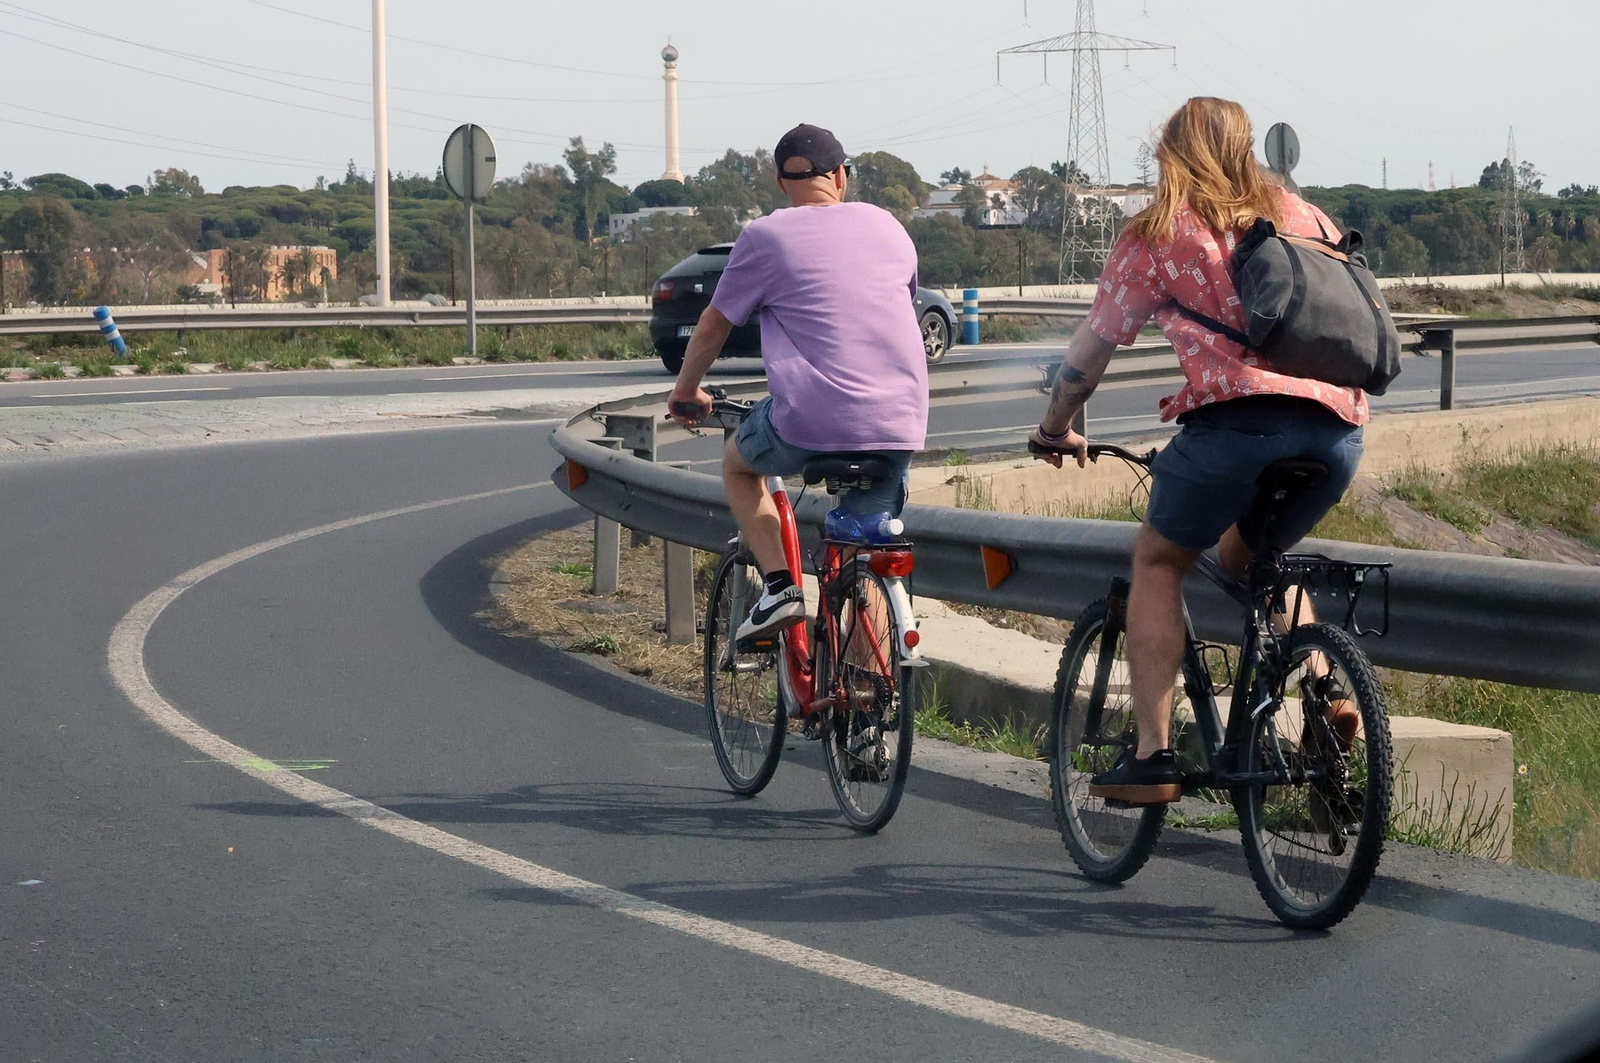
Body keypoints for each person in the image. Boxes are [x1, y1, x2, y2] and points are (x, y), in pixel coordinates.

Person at [1032, 96, 1364, 804]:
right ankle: (1323, 683)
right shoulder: (1307, 218)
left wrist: (1057, 423)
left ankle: (1153, 756)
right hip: (1337, 432)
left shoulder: (1158, 231)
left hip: (1237, 427)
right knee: (1252, 555)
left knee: (1158, 557)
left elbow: (1089, 355)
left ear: (1169, 153)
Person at [668, 123, 928, 642]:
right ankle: (865, 702)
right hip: (900, 424)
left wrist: (684, 392)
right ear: (841, 176)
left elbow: (714, 327)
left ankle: (782, 587)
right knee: (865, 561)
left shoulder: (766, 236)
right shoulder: (889, 227)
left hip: (809, 424)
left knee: (738, 467)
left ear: (781, 184)